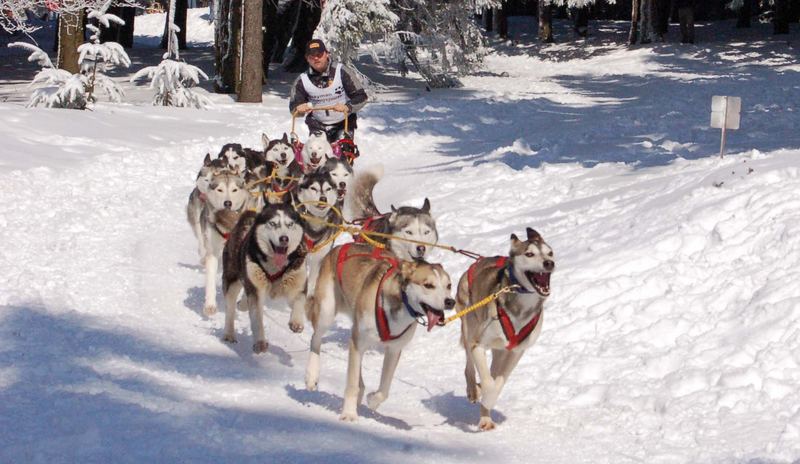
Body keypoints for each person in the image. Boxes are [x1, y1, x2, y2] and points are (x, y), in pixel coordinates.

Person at [289, 39, 368, 143]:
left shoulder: (341, 71)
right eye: (311, 56)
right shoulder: (302, 80)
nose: (316, 58)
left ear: (326, 54)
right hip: (317, 124)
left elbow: (361, 97)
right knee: (317, 156)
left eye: (319, 54)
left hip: (343, 123)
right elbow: (294, 108)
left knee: (342, 155)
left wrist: (348, 107)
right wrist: (298, 109)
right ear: (307, 58)